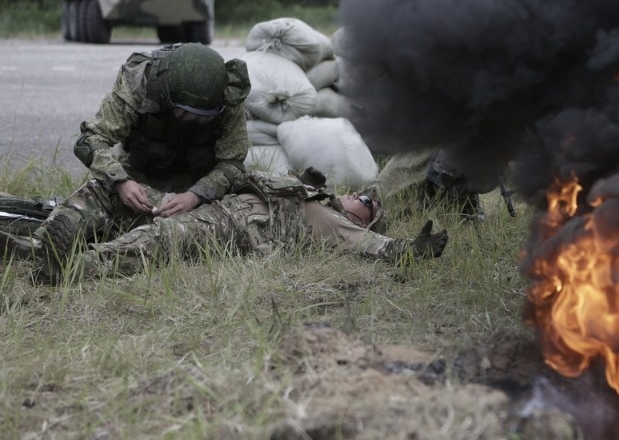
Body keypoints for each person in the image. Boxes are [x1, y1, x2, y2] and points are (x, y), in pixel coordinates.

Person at [3, 42, 251, 282]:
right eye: (184, 113)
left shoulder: (227, 95)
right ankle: (45, 241)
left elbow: (232, 164)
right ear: (166, 94)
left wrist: (195, 195)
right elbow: (91, 139)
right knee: (99, 192)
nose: (192, 122)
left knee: (177, 231)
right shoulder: (140, 82)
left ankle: (83, 255)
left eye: (202, 117)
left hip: (194, 197)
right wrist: (121, 181)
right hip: (137, 182)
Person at [1, 170, 448, 282]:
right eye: (362, 193)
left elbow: (377, 248)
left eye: (368, 202)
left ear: (360, 217)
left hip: (226, 228)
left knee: (150, 243)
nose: (360, 196)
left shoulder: (333, 222)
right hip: (211, 204)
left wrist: (410, 248)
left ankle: (66, 270)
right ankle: (33, 246)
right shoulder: (311, 194)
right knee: (115, 196)